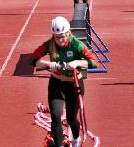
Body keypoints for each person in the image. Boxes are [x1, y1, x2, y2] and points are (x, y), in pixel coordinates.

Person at [30, 16, 98, 147]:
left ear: (68, 33)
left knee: (71, 118)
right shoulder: (49, 44)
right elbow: (33, 59)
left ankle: (76, 139)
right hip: (56, 84)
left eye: (62, 36)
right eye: (57, 37)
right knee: (55, 116)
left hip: (74, 84)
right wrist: (49, 63)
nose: (60, 40)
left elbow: (94, 63)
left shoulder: (77, 45)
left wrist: (77, 62)